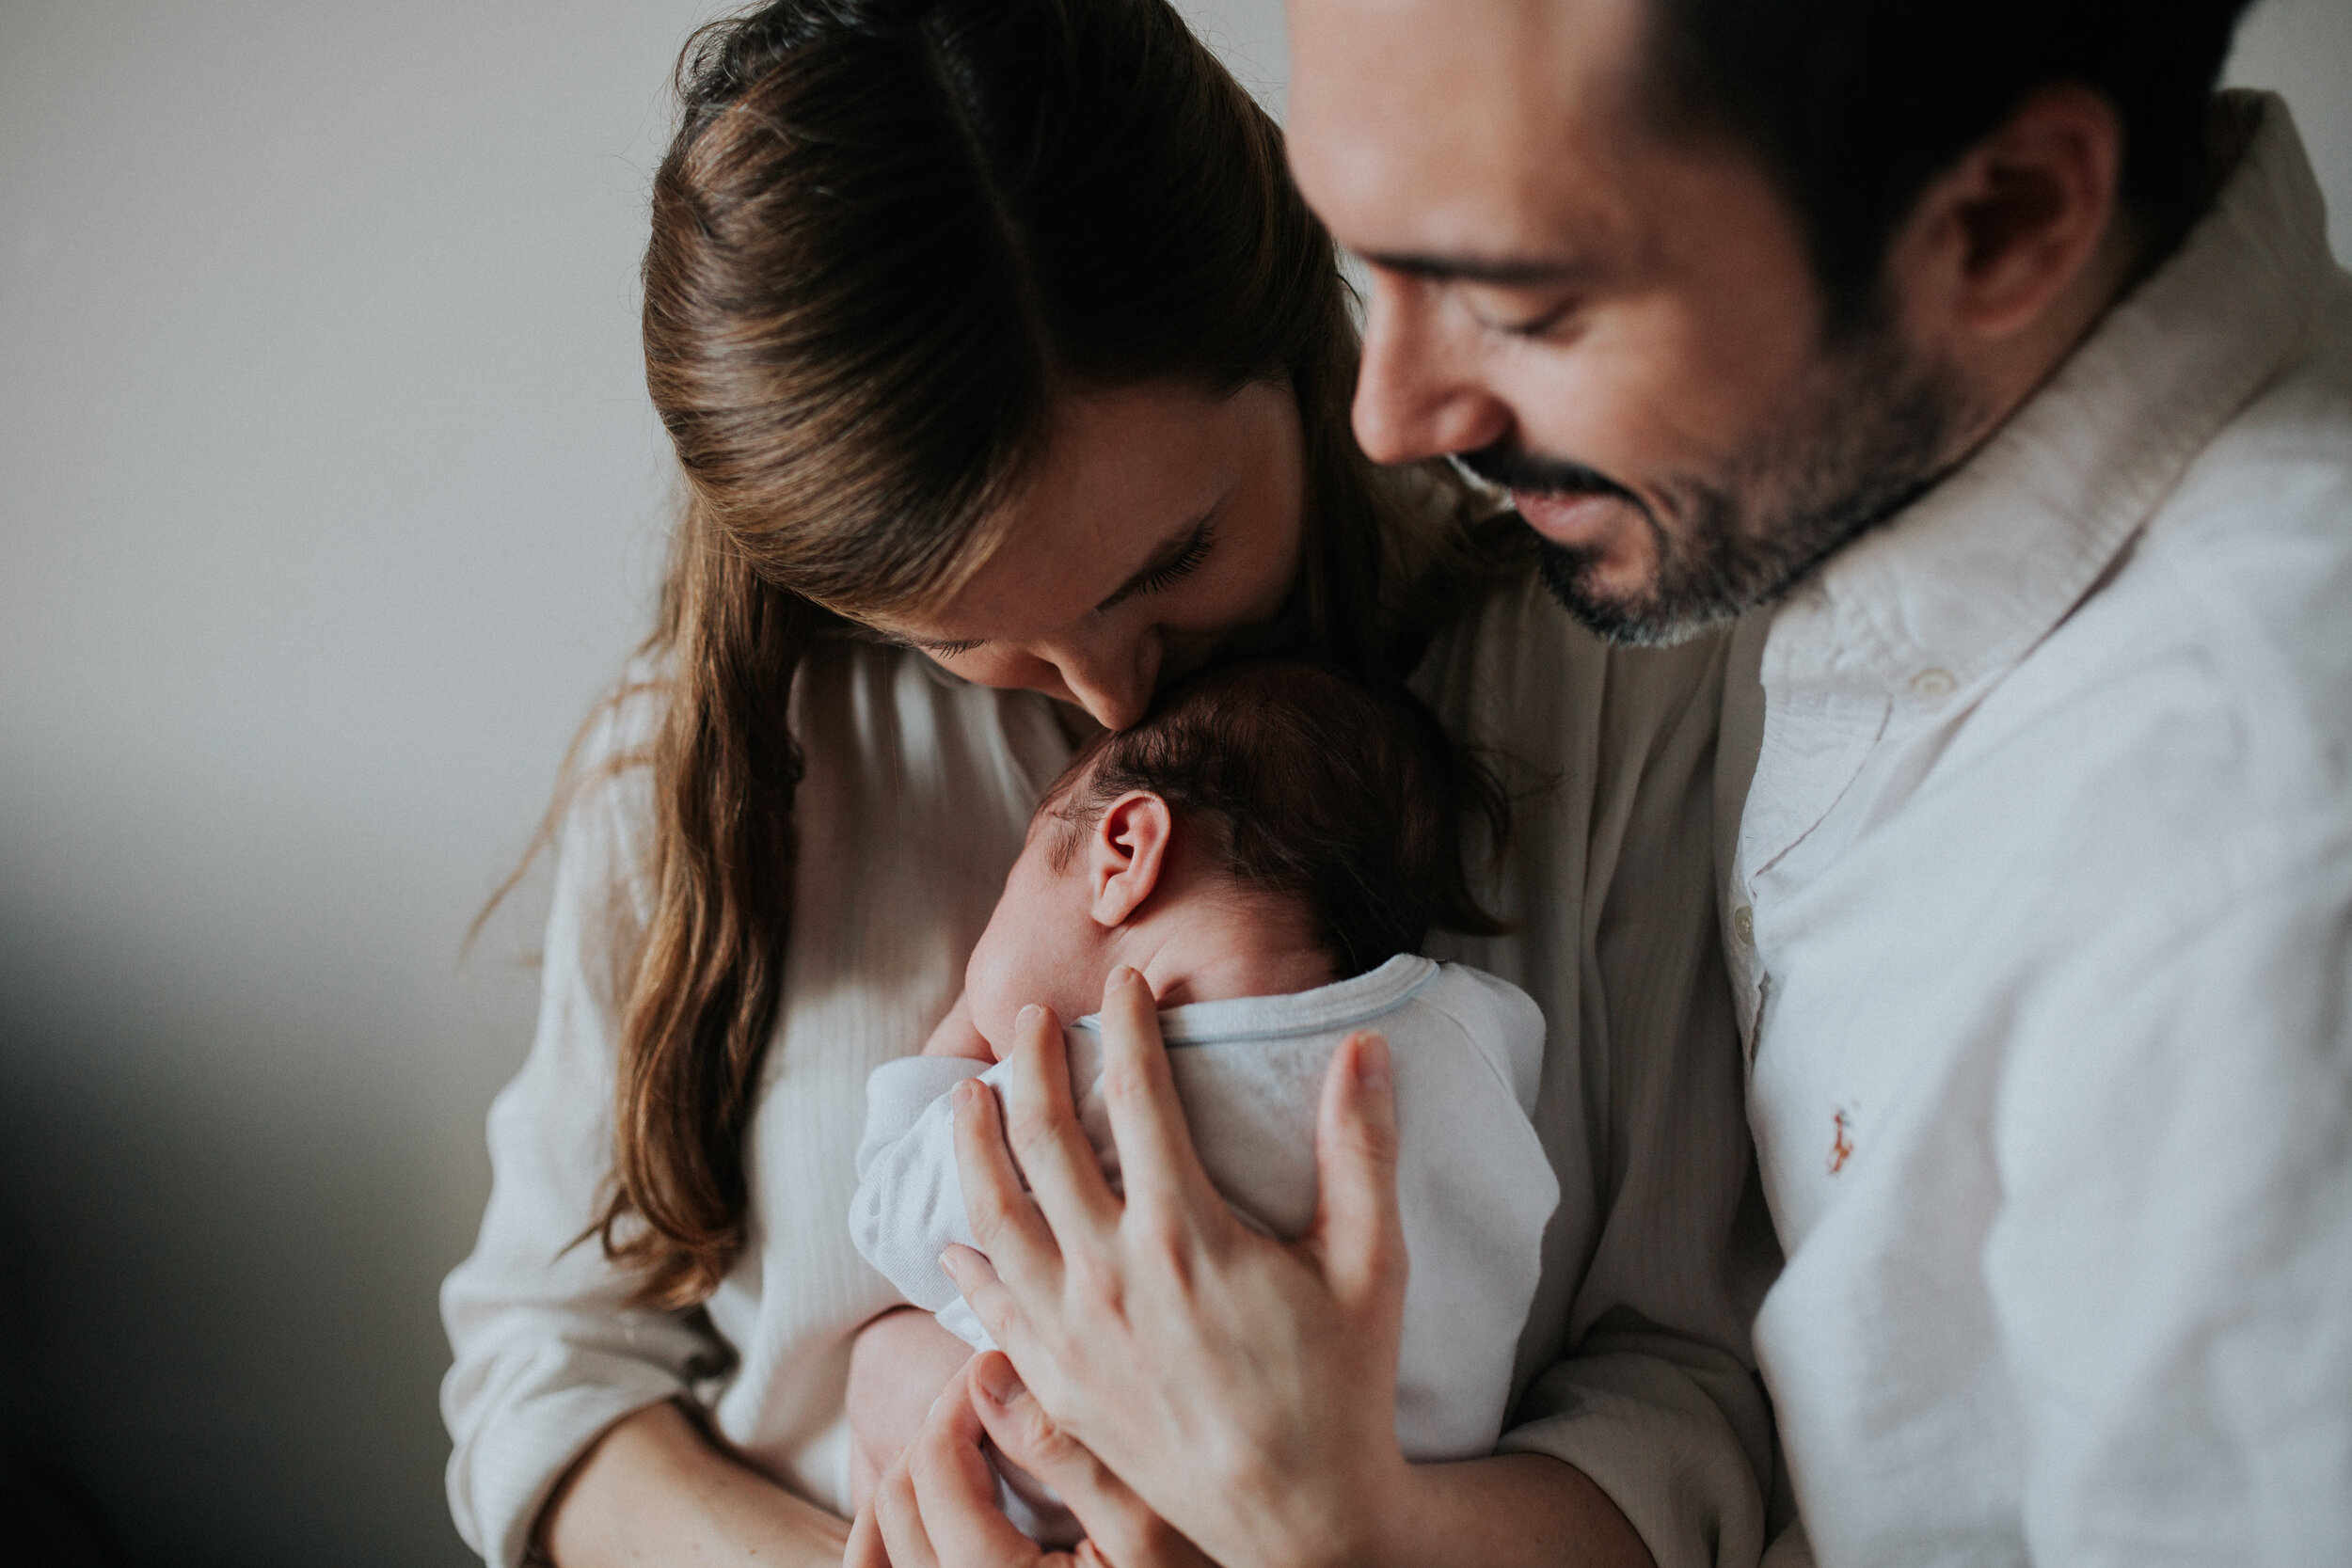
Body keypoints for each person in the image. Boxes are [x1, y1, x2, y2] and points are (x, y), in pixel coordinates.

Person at [439, 4, 1776, 1568]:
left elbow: (1698, 1393)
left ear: (1295, 330)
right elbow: (548, 1374)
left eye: (1176, 558)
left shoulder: (1615, 688)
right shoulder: (723, 768)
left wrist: (1358, 1534)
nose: (1113, 697)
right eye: (973, 639)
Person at [1279, 0, 2352, 1561]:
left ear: (2004, 220)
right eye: (1366, 262)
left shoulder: (2254, 857)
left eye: (1525, 300)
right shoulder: (1873, 485)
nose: (1393, 417)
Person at [845, 660, 1556, 1544]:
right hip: (1415, 1514)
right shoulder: (1475, 1031)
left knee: (881, 1373)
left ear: (1124, 854)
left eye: (1010, 881)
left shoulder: (1078, 1090)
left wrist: (959, 1036)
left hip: (1116, 1512)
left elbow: (888, 1213)